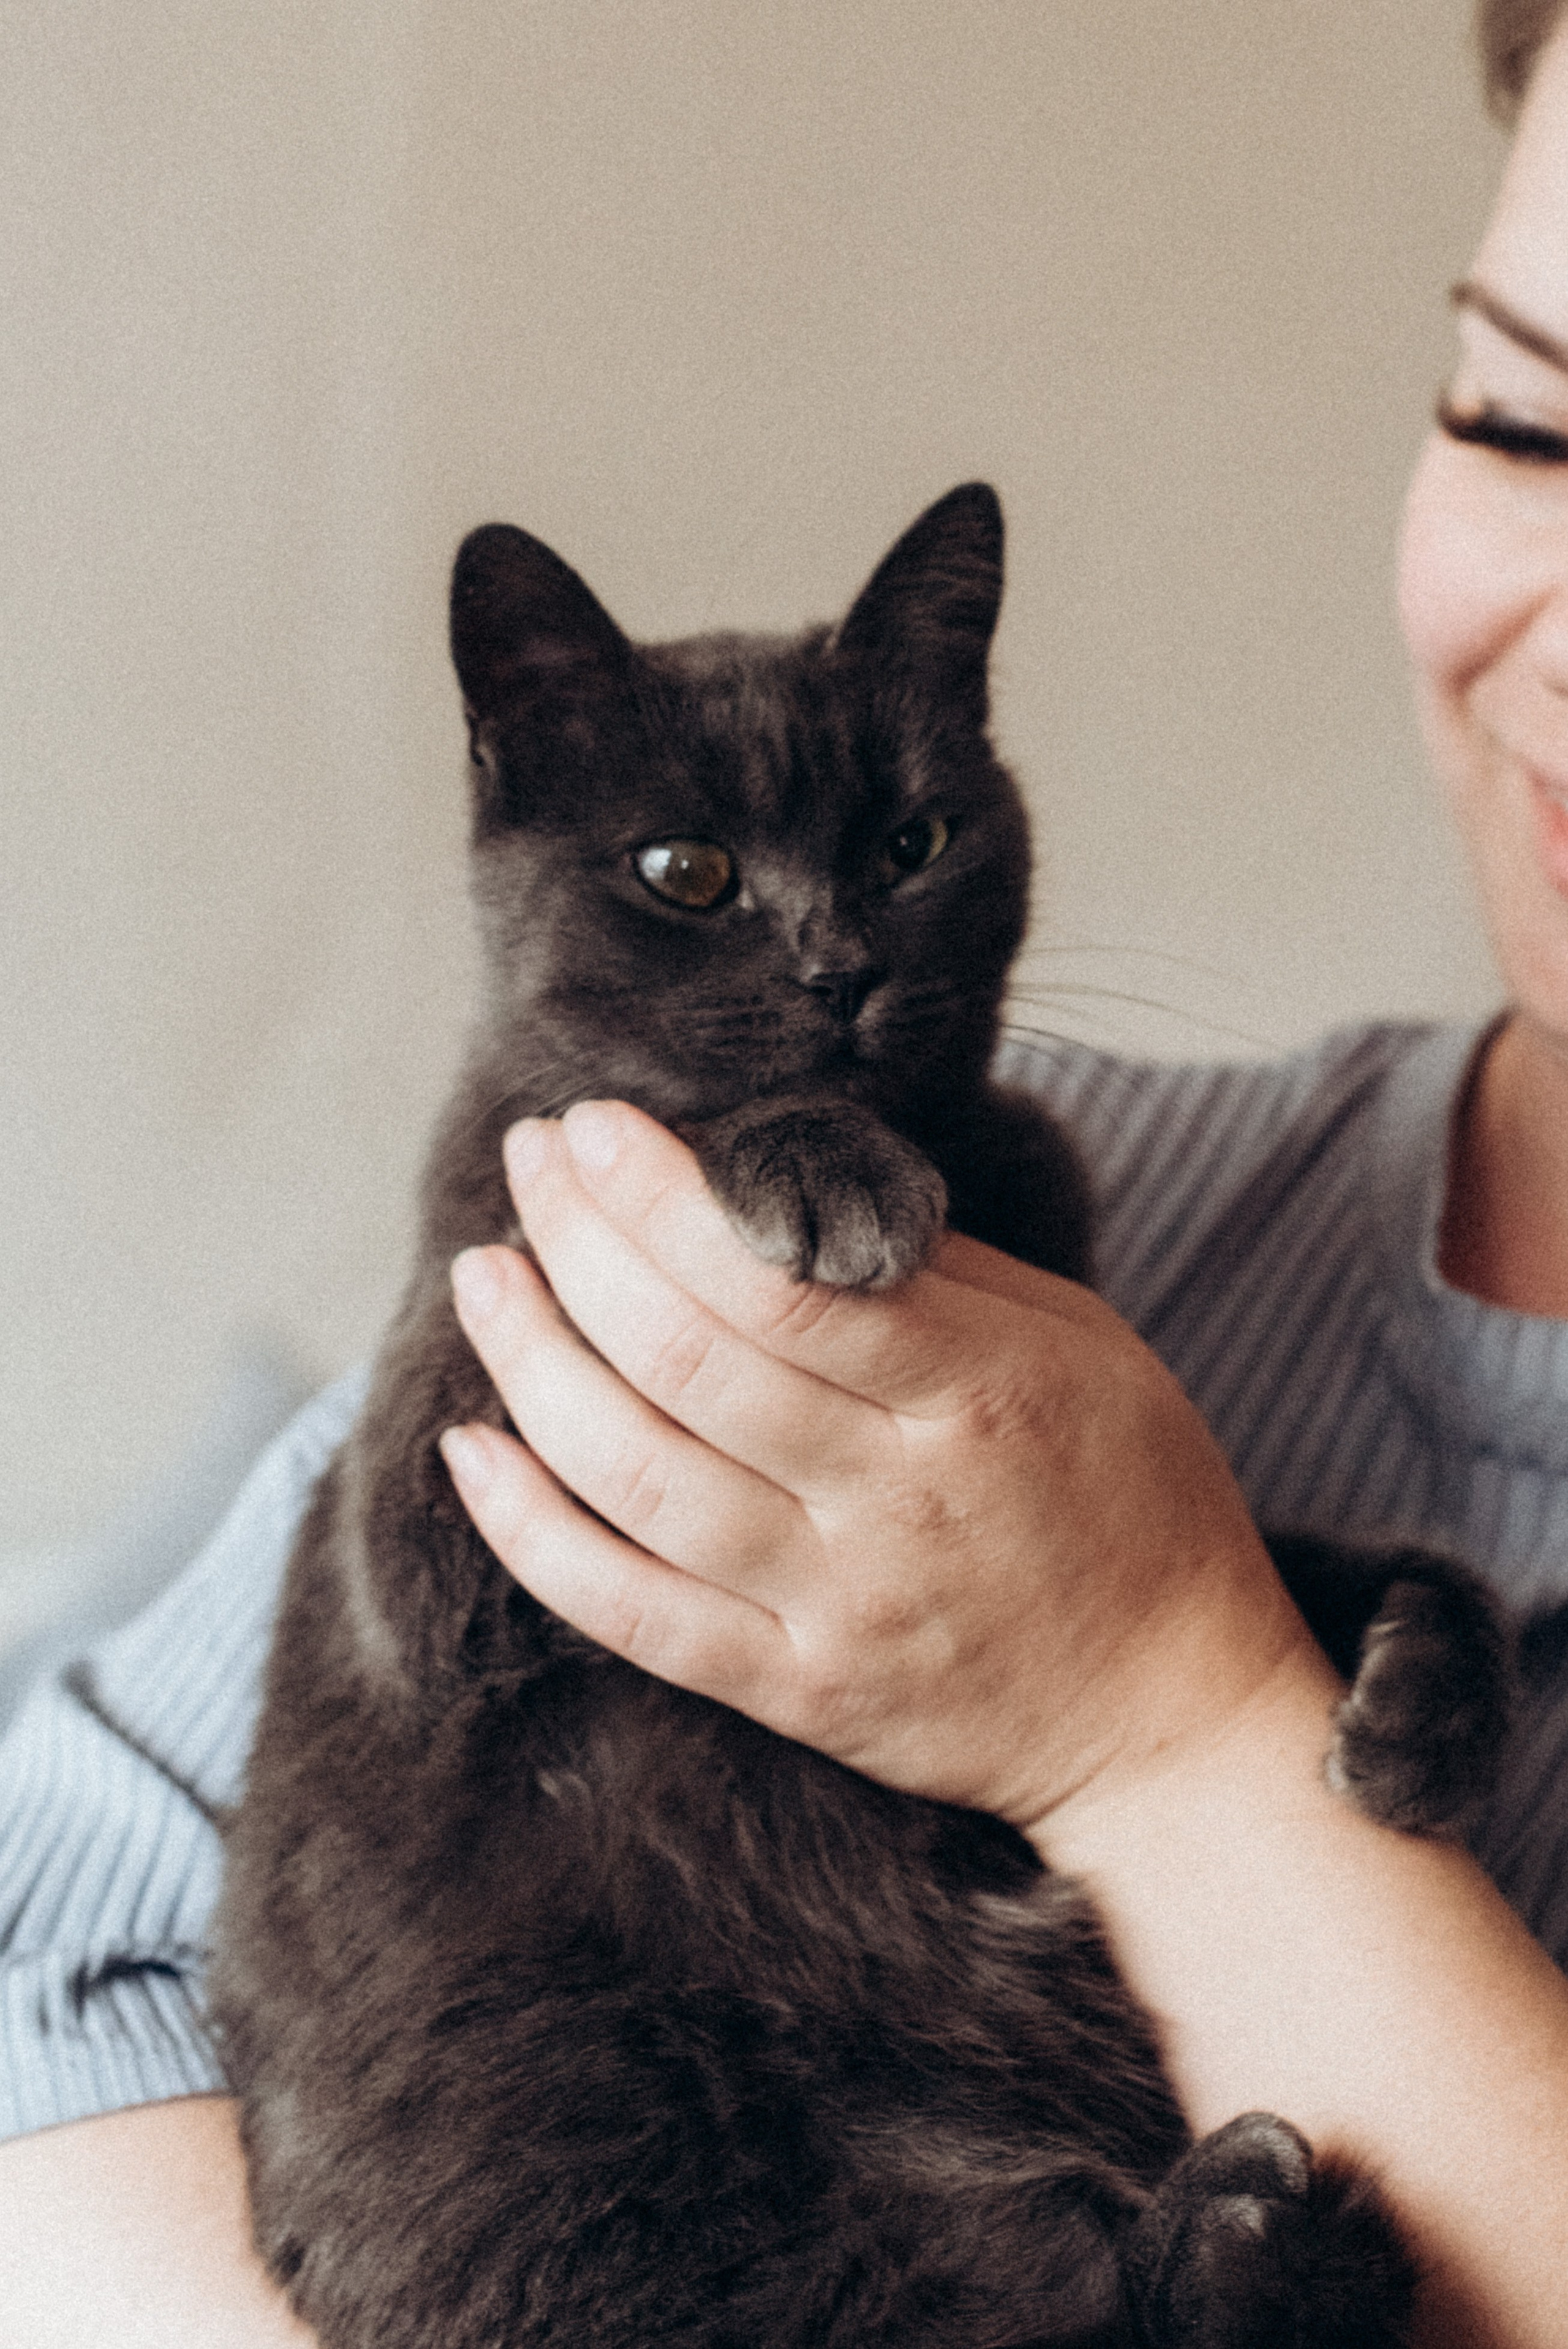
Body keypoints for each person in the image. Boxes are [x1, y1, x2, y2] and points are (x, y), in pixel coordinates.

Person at [6, 1, 1568, 2339]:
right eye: (1526, 416)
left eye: (906, 853)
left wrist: (1179, 1710)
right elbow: (56, 1923)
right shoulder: (924, 1187)